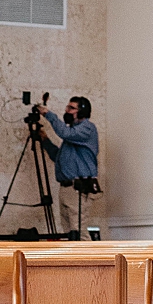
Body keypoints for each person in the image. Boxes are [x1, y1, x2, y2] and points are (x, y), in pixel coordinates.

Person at [36, 96, 99, 235]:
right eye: (67, 107)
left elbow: (64, 132)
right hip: (66, 188)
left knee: (79, 232)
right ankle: (73, 257)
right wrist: (45, 140)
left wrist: (47, 114)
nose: (67, 110)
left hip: (78, 187)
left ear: (81, 111)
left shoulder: (87, 128)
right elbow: (58, 157)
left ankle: (88, 257)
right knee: (69, 233)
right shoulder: (72, 135)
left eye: (71, 108)